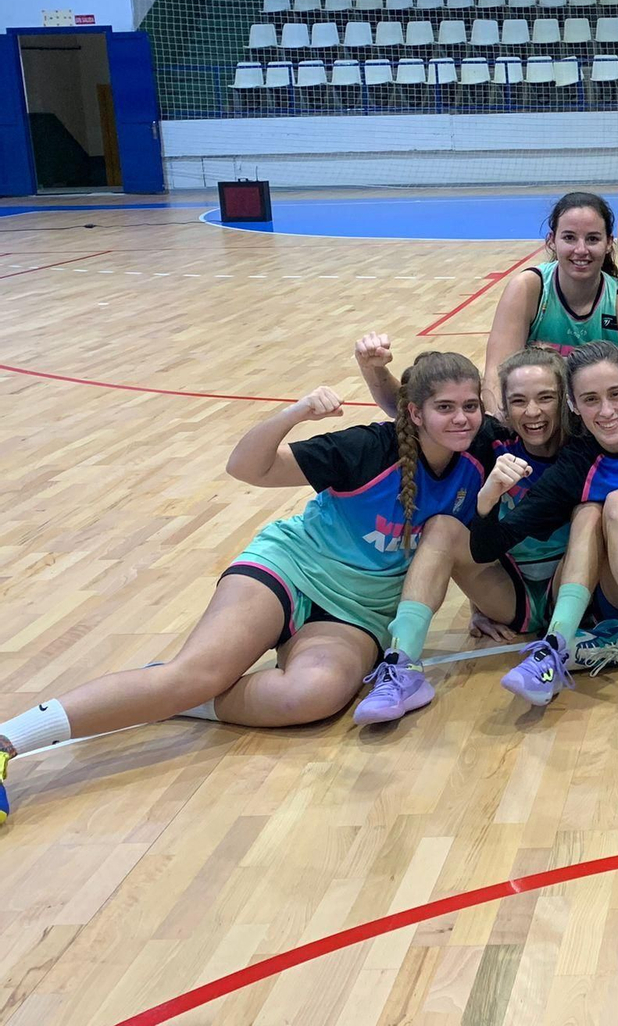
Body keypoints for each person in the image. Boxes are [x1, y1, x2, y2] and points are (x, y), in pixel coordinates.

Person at [0, 352, 523, 821]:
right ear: (414, 413)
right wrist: (295, 413)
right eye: (446, 408)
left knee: (310, 697)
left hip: (358, 613)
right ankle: (9, 740)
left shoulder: (483, 449)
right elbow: (246, 467)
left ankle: (190, 694)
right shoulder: (366, 448)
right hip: (289, 569)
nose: (461, 418)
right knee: (193, 673)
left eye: (470, 406)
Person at [466, 341, 618, 734]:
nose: (607, 411)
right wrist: (487, 498)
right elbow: (486, 546)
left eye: (615, 394)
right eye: (590, 399)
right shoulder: (577, 465)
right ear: (573, 405)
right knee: (617, 502)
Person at [356, 334, 602, 706]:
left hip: (573, 589)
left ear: (566, 399)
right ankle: (401, 666)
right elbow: (412, 410)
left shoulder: (586, 442)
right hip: (511, 594)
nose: (532, 412)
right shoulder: (489, 439)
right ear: (501, 405)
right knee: (441, 526)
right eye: (518, 401)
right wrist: (375, 370)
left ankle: (555, 650)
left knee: (589, 513)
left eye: (545, 398)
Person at [482, 192, 618, 418]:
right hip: (534, 419)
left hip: (599, 421)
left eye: (592, 239)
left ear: (609, 243)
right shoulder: (527, 289)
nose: (581, 250)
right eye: (569, 238)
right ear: (551, 240)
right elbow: (496, 375)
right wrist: (503, 428)